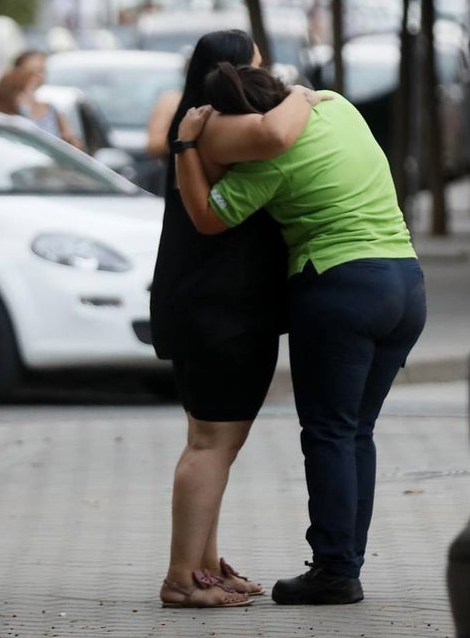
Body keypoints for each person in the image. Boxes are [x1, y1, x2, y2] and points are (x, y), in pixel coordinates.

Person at [173, 63, 427, 605]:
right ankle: (344, 564)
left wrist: (187, 150)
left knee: (330, 432)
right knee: (357, 431)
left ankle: (335, 571)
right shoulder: (335, 104)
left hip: (341, 285)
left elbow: (206, 216)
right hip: (405, 281)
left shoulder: (270, 159)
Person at [152, 30, 325, 609]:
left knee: (211, 443)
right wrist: (303, 95)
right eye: (256, 66)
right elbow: (277, 132)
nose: (265, 76)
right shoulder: (218, 130)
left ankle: (203, 565)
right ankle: (182, 579)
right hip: (221, 312)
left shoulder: (197, 125)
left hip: (211, 308)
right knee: (210, 446)